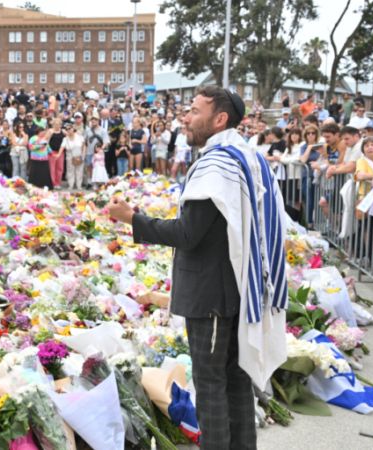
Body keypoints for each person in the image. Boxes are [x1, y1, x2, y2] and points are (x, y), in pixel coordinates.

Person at [108, 86, 285, 449]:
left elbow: (189, 233)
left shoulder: (218, 164)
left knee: (211, 387)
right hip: (233, 287)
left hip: (212, 294)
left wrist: (133, 218)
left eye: (194, 111)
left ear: (219, 119)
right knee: (234, 381)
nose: (185, 117)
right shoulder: (243, 155)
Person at [27, 123, 52, 189]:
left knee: (44, 173)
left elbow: (47, 147)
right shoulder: (33, 138)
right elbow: (31, 147)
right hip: (35, 158)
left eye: (44, 132)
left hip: (44, 158)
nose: (44, 133)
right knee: (34, 173)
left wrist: (51, 152)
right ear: (39, 132)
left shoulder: (44, 139)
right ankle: (33, 185)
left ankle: (44, 186)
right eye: (42, 132)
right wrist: (41, 145)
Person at [62, 122, 85, 190]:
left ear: (73, 128)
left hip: (79, 155)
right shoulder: (65, 139)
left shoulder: (79, 136)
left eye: (70, 128)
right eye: (67, 129)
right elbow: (62, 147)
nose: (69, 130)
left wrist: (83, 155)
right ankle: (71, 185)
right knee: (70, 171)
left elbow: (84, 146)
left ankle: (79, 185)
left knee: (79, 171)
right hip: (70, 156)